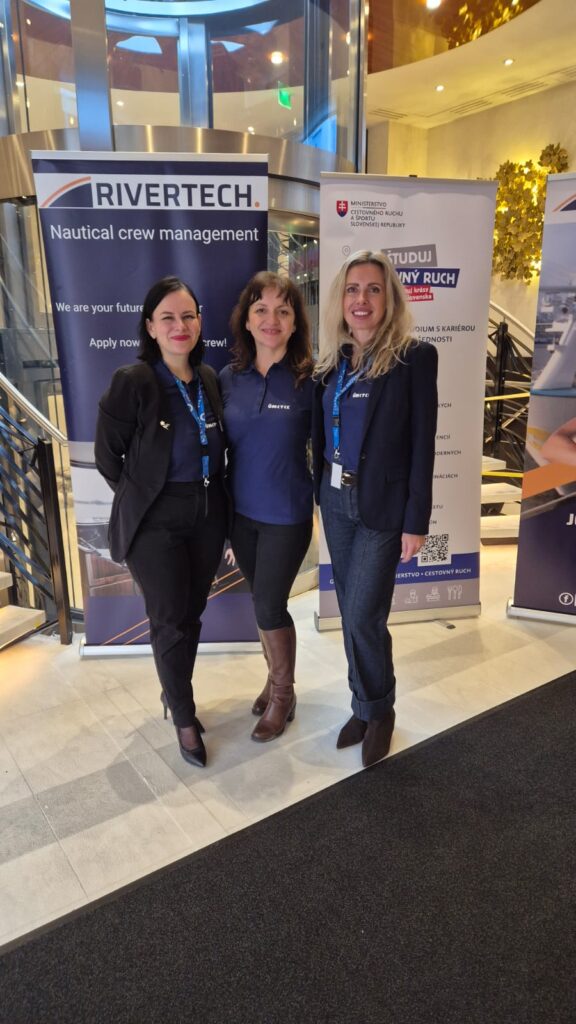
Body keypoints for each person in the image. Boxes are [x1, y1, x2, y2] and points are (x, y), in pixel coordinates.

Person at [95, 275, 227, 768]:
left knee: (191, 615)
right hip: (156, 521)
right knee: (169, 620)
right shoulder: (134, 382)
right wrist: (148, 495)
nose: (179, 325)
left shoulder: (208, 378)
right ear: (150, 327)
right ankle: (185, 718)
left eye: (188, 316)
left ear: (199, 322)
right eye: (167, 317)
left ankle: (175, 693)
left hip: (208, 512)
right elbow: (109, 459)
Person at [312, 250, 438, 767]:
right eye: (352, 289)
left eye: (373, 289)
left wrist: (416, 520)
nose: (361, 299)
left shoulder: (414, 358)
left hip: (383, 505)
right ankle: (362, 707)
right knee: (349, 610)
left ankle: (380, 710)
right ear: (340, 300)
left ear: (390, 299)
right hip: (336, 500)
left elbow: (423, 444)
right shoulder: (332, 363)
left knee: (365, 613)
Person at [220, 271, 314, 742]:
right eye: (261, 309)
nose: (271, 319)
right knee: (261, 605)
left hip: (287, 515)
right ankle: (273, 680)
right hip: (242, 517)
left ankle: (283, 695)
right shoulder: (227, 379)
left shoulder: (311, 382)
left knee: (272, 606)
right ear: (247, 320)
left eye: (283, 310)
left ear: (295, 322)